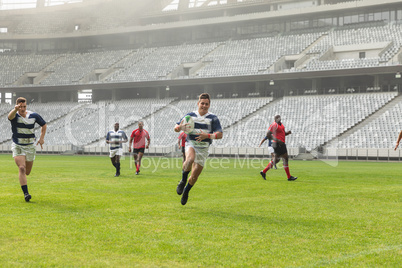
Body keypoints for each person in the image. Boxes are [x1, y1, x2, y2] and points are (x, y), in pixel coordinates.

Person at [174, 93, 223, 205]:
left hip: (204, 149)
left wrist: (207, 136)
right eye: (202, 103)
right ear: (198, 103)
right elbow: (176, 127)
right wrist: (179, 127)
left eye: (206, 104)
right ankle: (182, 180)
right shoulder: (190, 116)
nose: (204, 106)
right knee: (190, 159)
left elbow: (220, 135)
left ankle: (186, 191)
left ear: (209, 105)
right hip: (191, 143)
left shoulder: (213, 118)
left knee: (194, 177)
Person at [8, 97, 47, 202]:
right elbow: (9, 116)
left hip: (30, 146)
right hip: (18, 145)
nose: (23, 109)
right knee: (21, 168)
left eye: (24, 106)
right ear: (17, 106)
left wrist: (41, 138)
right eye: (20, 107)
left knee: (27, 172)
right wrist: (15, 109)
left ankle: (23, 180)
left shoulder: (33, 115)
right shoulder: (14, 115)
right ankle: (26, 194)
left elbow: (44, 124)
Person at [260, 115, 297, 181]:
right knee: (285, 158)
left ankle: (264, 172)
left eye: (279, 117)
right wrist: (277, 140)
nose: (278, 118)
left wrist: (287, 133)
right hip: (277, 144)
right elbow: (268, 134)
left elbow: (282, 133)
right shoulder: (274, 125)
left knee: (276, 160)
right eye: (277, 117)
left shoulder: (281, 125)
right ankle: (289, 177)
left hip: (280, 144)